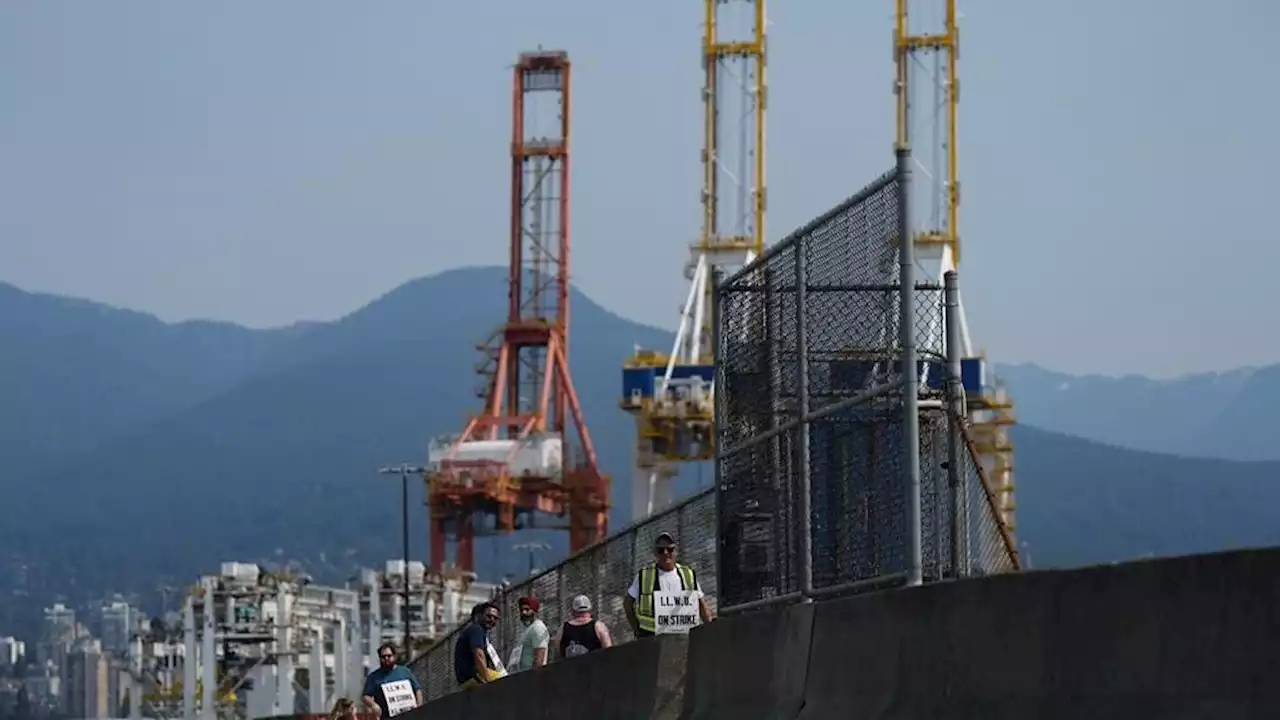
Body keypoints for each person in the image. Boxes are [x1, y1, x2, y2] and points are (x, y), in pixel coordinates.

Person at [624, 531, 714, 637]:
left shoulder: (688, 574)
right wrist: (637, 631)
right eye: (661, 550)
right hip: (652, 640)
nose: (666, 553)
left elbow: (701, 605)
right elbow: (627, 604)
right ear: (655, 553)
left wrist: (710, 632)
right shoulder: (644, 576)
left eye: (670, 549)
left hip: (684, 638)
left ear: (676, 551)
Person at [361, 643, 423, 718]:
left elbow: (417, 690)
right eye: (383, 657)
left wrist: (419, 707)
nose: (386, 658)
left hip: (409, 715)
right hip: (387, 716)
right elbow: (366, 696)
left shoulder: (405, 672)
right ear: (380, 658)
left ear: (395, 656)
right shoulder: (373, 677)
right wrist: (373, 705)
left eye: (389, 656)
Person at [454, 601, 506, 688]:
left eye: (495, 618)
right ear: (479, 616)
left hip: (465, 680)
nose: (492, 620)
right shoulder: (476, 630)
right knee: (507, 682)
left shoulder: (474, 631)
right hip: (473, 676)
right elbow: (479, 654)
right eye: (489, 616)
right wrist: (488, 681)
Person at [557, 594, 612, 659]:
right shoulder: (599, 627)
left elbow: (557, 653)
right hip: (595, 667)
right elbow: (609, 651)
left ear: (573, 612)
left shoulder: (563, 628)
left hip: (570, 668)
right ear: (590, 611)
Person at [508, 596, 549, 673]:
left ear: (535, 611)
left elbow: (539, 658)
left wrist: (532, 679)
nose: (523, 612)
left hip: (531, 678)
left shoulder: (538, 627)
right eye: (521, 610)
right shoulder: (527, 629)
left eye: (527, 609)